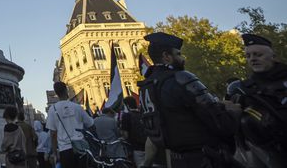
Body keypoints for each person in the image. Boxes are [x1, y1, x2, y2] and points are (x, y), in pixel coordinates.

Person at [138, 32, 239, 168]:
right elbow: (218, 120)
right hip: (205, 158)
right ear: (166, 56)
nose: (182, 58)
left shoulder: (146, 86)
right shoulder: (181, 78)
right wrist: (234, 112)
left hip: (176, 160)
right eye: (178, 54)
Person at [229, 33, 287, 167]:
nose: (252, 59)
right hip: (269, 156)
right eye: (248, 56)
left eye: (258, 55)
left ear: (273, 56)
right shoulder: (243, 89)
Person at [45, 81, 93, 168]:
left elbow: (53, 134)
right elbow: (90, 124)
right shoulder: (77, 107)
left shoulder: (53, 109)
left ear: (56, 93)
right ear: (66, 90)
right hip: (81, 147)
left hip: (65, 150)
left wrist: (55, 152)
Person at [120, 96, 147, 167]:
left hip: (136, 147)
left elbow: (125, 134)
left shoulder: (126, 116)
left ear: (127, 106)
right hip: (148, 145)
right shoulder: (143, 113)